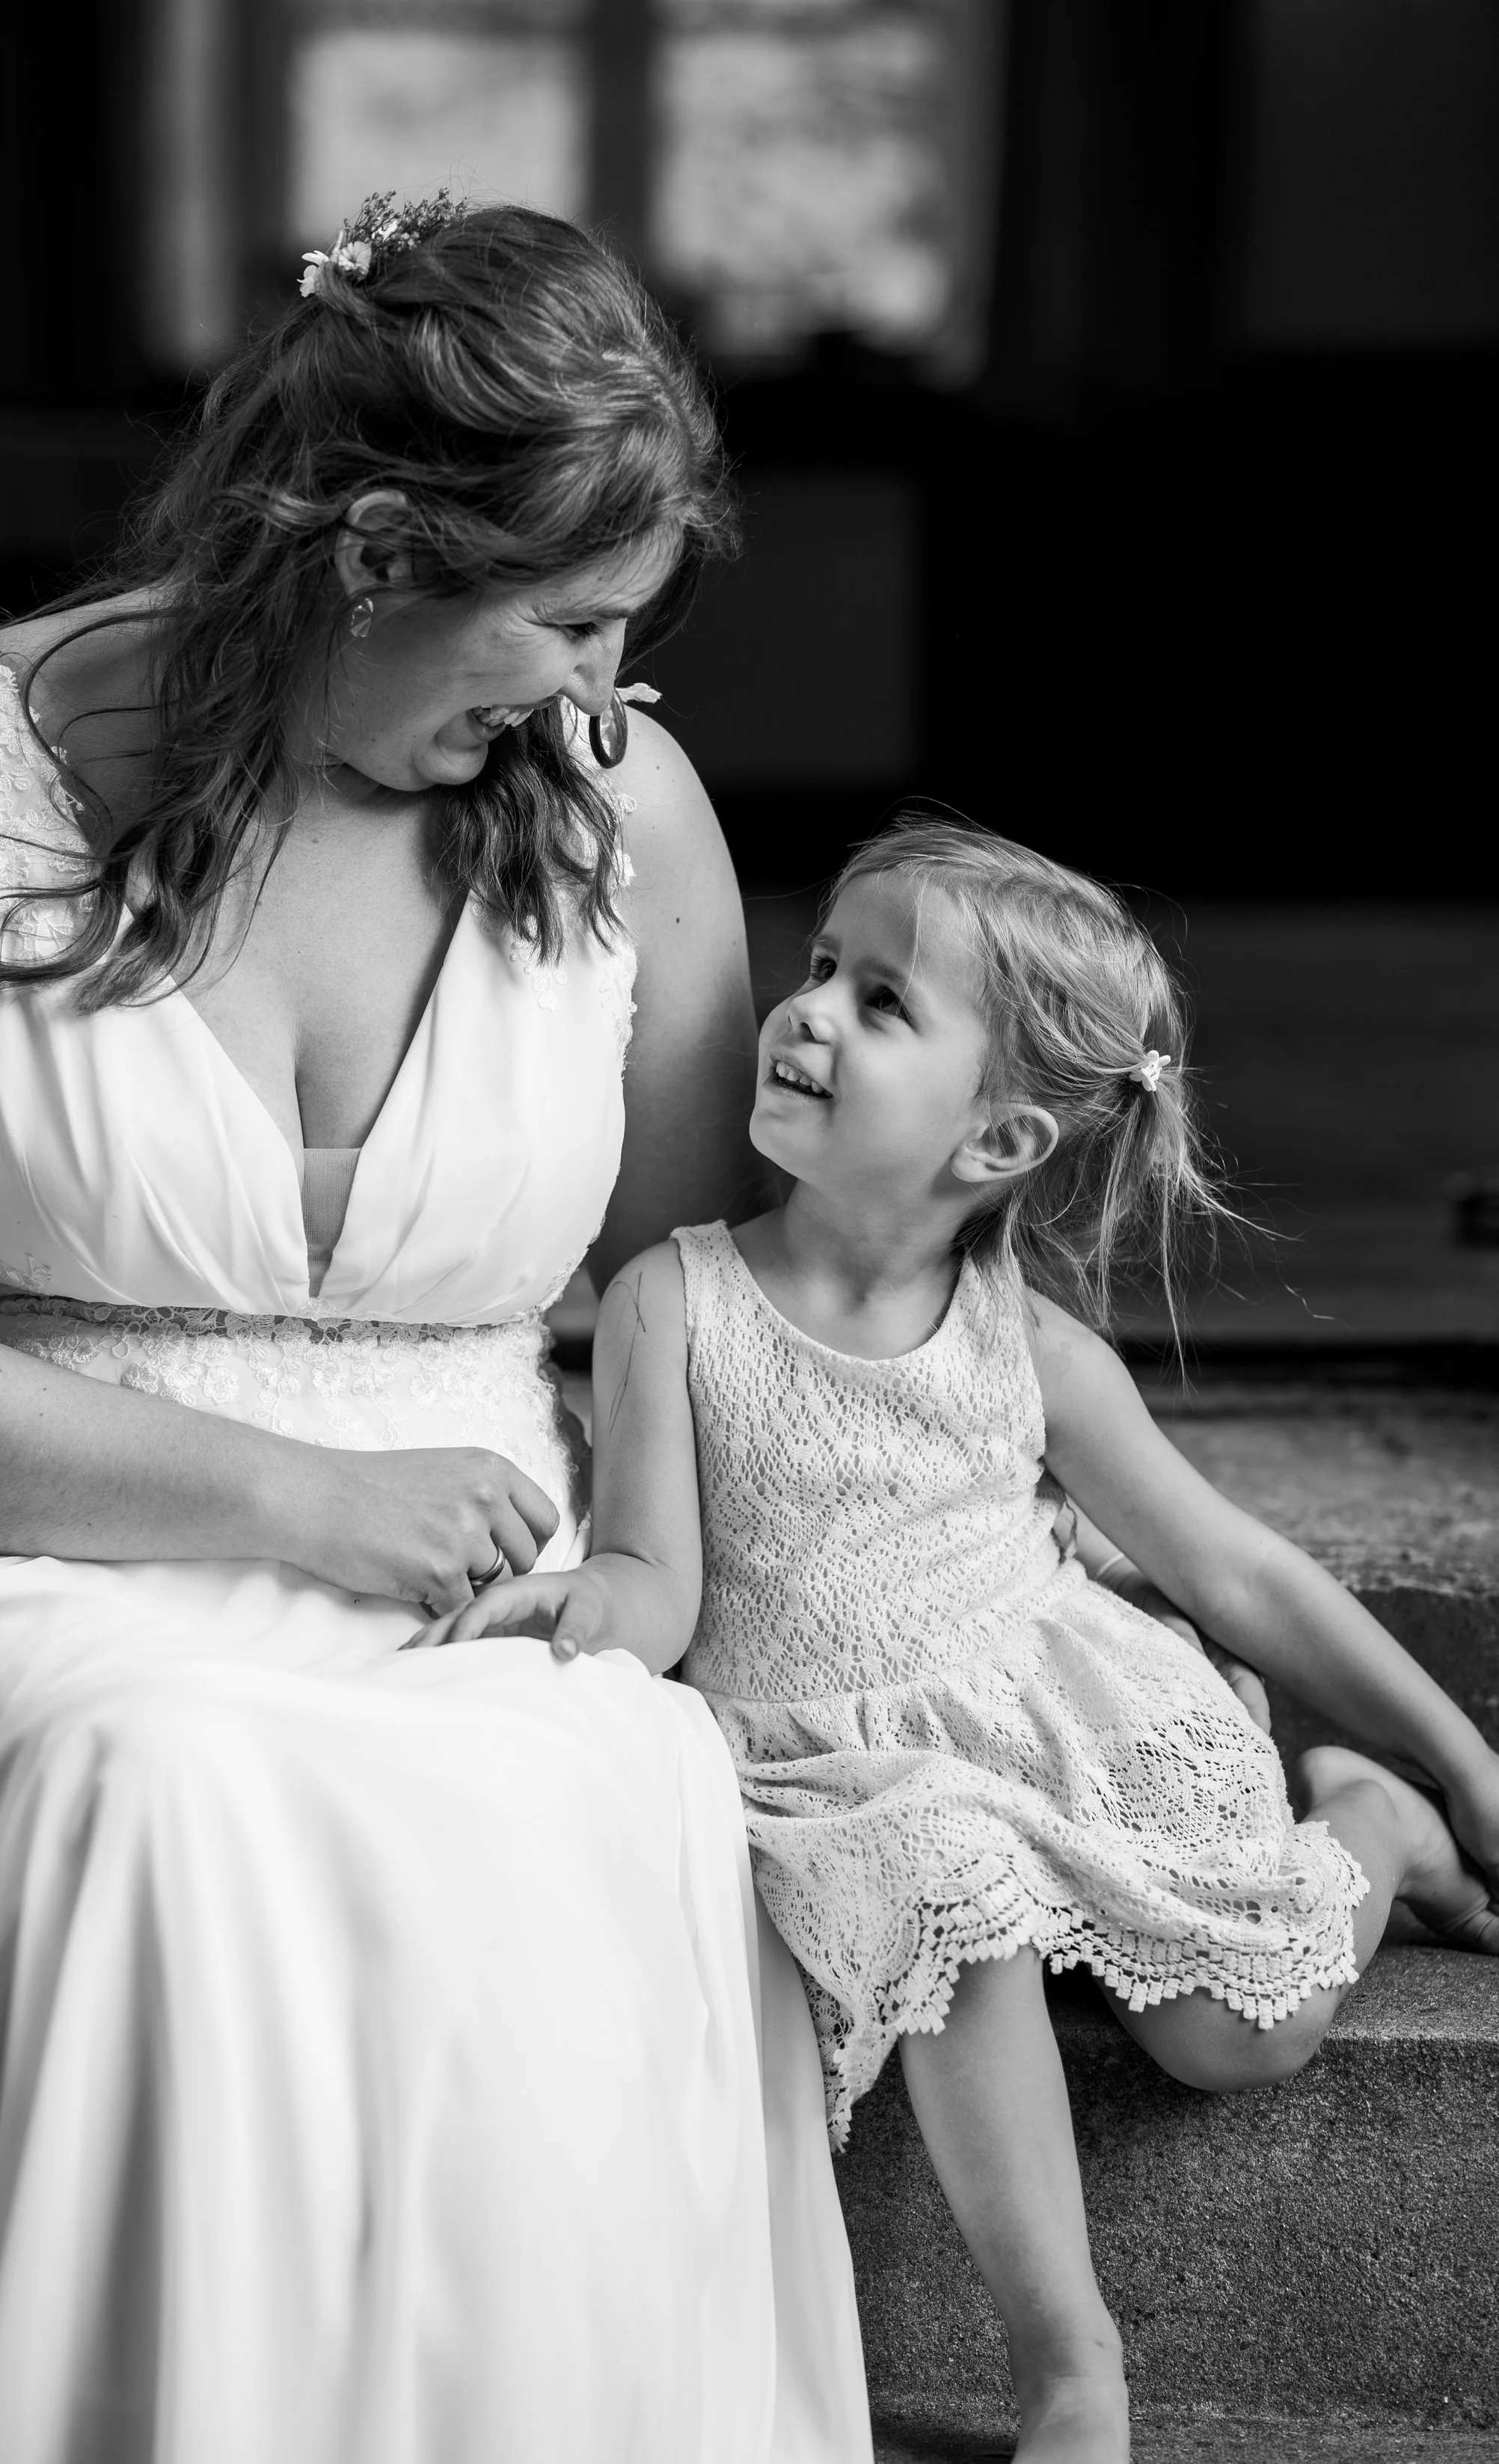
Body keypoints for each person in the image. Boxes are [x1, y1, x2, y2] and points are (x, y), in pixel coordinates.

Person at [0, 200, 877, 2464]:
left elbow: (702, 1301)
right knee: (165, 1790)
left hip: (485, 1595)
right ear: (373, 551)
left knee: (570, 1789)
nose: (596, 693)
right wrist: (302, 1501)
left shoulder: (621, 806)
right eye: (566, 619)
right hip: (4, 1567)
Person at [429, 815, 1499, 2464]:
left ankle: (1374, 1820)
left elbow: (1236, 1573)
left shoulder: (1031, 1349)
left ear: (996, 1137)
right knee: (944, 1874)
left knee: (1238, 2038)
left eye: (878, 1003)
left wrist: (1464, 1753)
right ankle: (1067, 2364)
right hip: (837, 1764)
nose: (804, 1014)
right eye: (819, 970)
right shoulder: (672, 1300)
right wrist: (588, 1613)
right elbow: (655, 1574)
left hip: (1048, 1717)